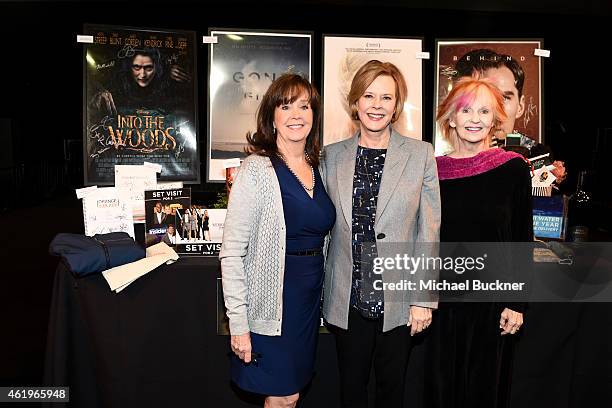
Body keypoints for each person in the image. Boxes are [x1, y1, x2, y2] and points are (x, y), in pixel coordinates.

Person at [321, 60, 441, 408]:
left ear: (396, 105)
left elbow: (428, 231)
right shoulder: (331, 156)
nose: (377, 105)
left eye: (386, 98)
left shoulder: (420, 155)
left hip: (399, 299)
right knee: (351, 390)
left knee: (393, 391)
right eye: (369, 96)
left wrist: (423, 298)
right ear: (355, 101)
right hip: (348, 296)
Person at [220, 73, 335, 408]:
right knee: (282, 397)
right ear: (272, 115)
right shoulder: (256, 170)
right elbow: (231, 254)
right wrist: (238, 325)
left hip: (308, 305)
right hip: (271, 306)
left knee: (292, 393)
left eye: (304, 106)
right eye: (286, 106)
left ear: (314, 115)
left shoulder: (318, 167)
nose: (296, 114)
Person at [424, 78, 533, 408]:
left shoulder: (513, 169)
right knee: (441, 390)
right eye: (466, 109)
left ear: (495, 119)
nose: (474, 118)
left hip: (492, 305)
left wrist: (518, 302)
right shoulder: (432, 170)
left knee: (484, 390)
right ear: (451, 119)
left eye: (484, 110)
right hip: (441, 302)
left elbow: (521, 237)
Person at [453, 49, 566, 183]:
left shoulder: (538, 153)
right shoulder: (450, 159)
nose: (498, 109)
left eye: (505, 98)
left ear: (521, 106)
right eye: (487, 96)